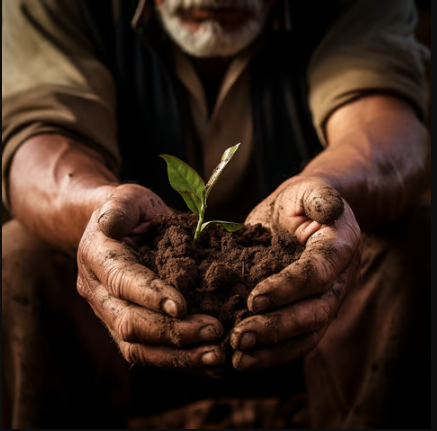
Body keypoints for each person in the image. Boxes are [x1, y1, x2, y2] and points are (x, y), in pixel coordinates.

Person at [2, 0, 431, 428]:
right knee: (18, 259)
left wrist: (327, 191)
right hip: (117, 336)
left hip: (314, 329)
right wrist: (101, 210)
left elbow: (385, 128)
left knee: (412, 242)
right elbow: (40, 141)